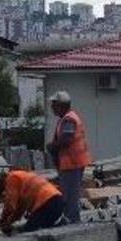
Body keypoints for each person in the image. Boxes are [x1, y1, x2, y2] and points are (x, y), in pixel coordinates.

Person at [46, 90, 91, 224]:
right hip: (69, 163)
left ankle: (72, 223)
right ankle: (69, 220)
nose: (52, 108)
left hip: (72, 163)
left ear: (62, 105)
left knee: (70, 197)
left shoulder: (69, 119)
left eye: (54, 105)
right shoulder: (65, 119)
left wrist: (52, 146)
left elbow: (67, 139)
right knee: (68, 195)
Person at [0, 168, 66, 235]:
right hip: (57, 201)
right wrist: (9, 222)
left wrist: (3, 221)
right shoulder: (22, 176)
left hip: (46, 202)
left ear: (2, 182)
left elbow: (10, 205)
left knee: (30, 230)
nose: (5, 191)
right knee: (43, 227)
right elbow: (19, 209)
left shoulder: (12, 178)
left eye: (3, 190)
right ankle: (61, 223)